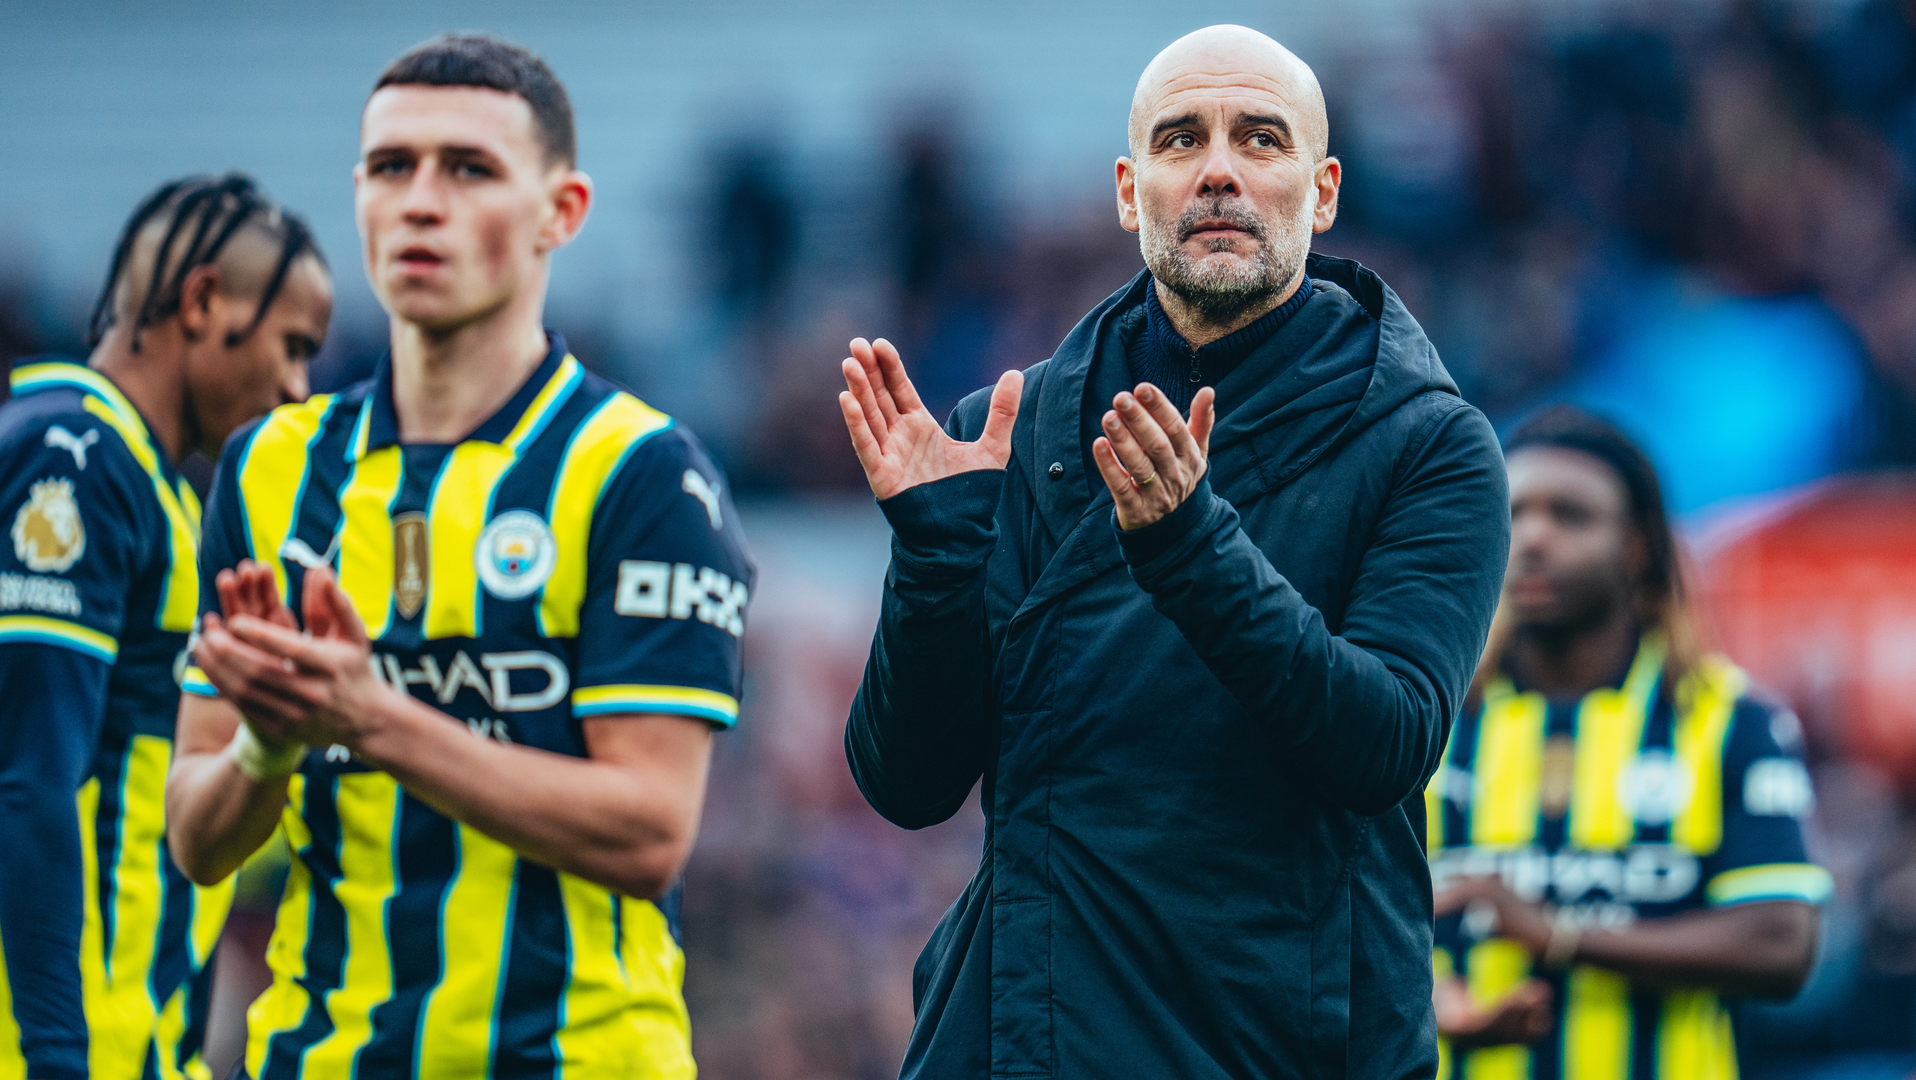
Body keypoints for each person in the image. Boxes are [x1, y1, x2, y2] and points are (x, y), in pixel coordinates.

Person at [838, 24, 1510, 1080]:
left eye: (1261, 139)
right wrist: (933, 561)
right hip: (1031, 1031)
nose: (1219, 171)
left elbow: (1383, 744)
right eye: (1181, 139)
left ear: (1322, 192)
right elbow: (907, 785)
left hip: (1280, 1040)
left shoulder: (1426, 442)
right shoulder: (1016, 429)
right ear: (1127, 188)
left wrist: (1191, 546)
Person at [163, 35, 751, 1078]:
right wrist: (266, 743)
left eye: (468, 169)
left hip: (573, 1056)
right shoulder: (267, 468)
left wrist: (370, 716)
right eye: (393, 167)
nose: (421, 202)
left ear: (559, 213)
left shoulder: (642, 472)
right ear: (357, 196)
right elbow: (197, 842)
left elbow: (649, 830)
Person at [0, 174, 331, 1080]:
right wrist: (56, 1055)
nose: (301, 388)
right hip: (59, 1048)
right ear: (202, 302)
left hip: (132, 1042)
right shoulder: (74, 456)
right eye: (291, 346)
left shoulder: (158, 491)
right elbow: (28, 778)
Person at [1427, 405, 1829, 1079]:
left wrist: (1559, 935)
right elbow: (1347, 920)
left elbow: (1780, 944)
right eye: (1514, 511)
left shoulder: (1729, 721)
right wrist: (1429, 1000)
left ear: (1638, 546)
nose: (1533, 537)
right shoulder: (1430, 720)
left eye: (1570, 515)